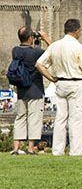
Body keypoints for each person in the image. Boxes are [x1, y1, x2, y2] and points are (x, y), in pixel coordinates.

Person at [35, 19, 82, 156]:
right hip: (76, 83)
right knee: (76, 118)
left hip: (60, 83)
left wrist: (51, 78)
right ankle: (76, 151)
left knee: (60, 118)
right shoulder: (78, 47)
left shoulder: (55, 46)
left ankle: (57, 150)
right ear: (77, 31)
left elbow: (39, 64)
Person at [10, 27, 51, 155]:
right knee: (34, 118)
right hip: (35, 89)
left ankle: (16, 148)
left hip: (21, 90)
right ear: (30, 38)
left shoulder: (15, 51)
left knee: (20, 118)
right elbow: (53, 52)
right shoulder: (36, 53)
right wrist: (46, 39)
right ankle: (30, 148)